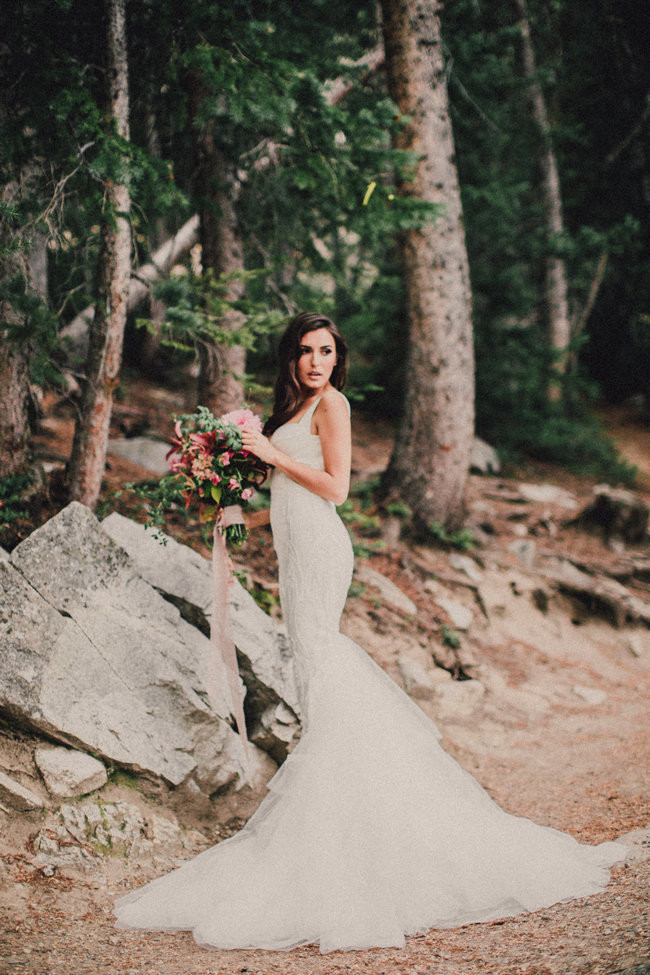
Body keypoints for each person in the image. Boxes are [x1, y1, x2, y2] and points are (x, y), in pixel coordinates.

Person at [114, 312, 626, 953]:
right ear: (289, 358)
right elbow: (282, 497)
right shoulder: (288, 410)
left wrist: (272, 455)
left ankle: (357, 829)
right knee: (313, 676)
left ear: (337, 358)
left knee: (325, 670)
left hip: (325, 552)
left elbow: (337, 488)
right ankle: (341, 825)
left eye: (326, 351)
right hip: (295, 553)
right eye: (305, 351)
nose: (315, 361)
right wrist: (234, 499)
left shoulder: (334, 406)